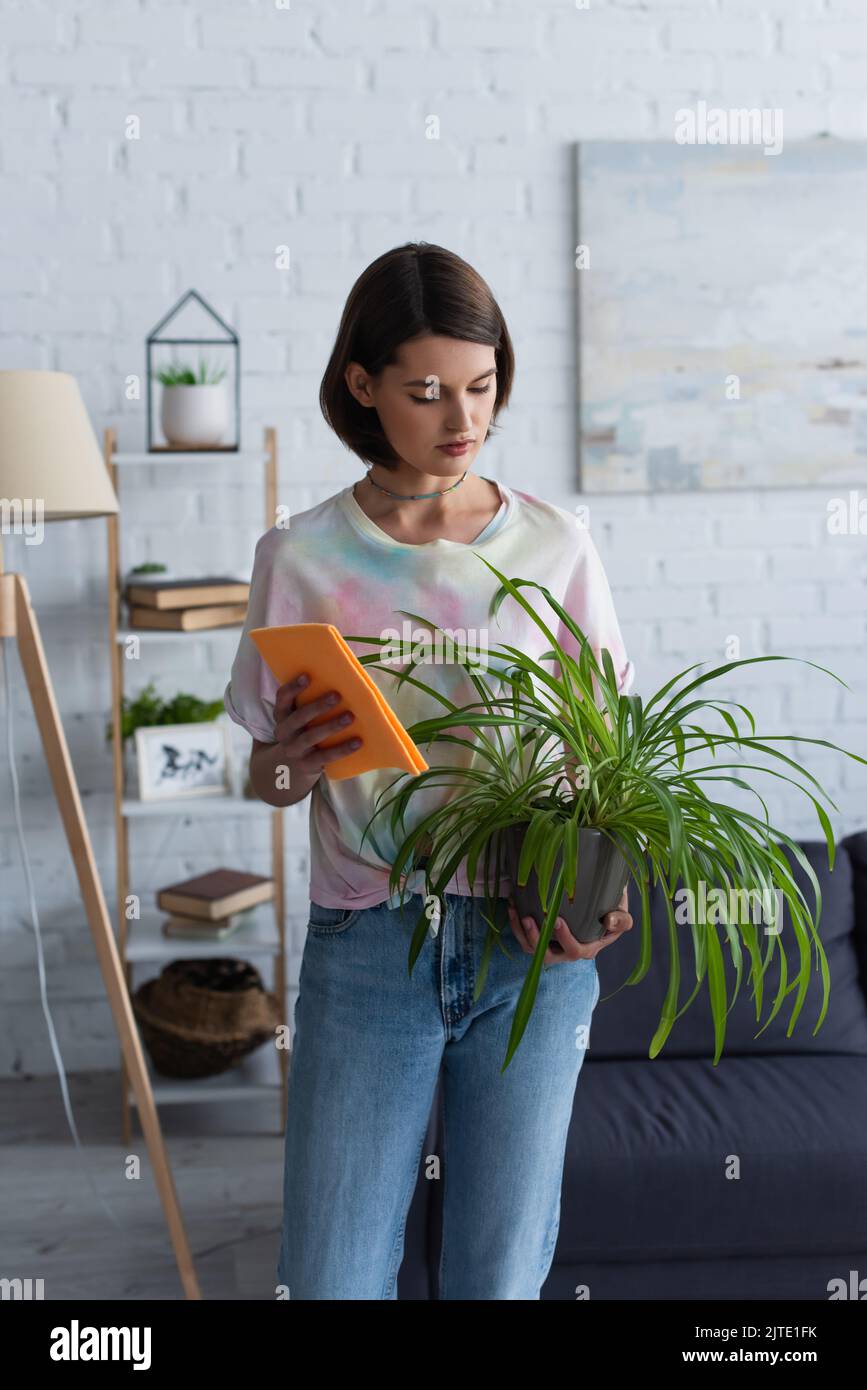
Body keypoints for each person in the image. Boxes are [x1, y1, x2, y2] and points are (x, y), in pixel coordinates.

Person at [224, 242, 635, 1300]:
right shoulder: (301, 555)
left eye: (483, 385)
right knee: (331, 1276)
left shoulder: (558, 545)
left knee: (497, 1275)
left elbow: (608, 763)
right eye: (426, 391)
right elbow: (267, 782)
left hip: (532, 945)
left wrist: (607, 888)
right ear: (361, 386)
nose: (463, 419)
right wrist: (289, 760)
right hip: (370, 942)